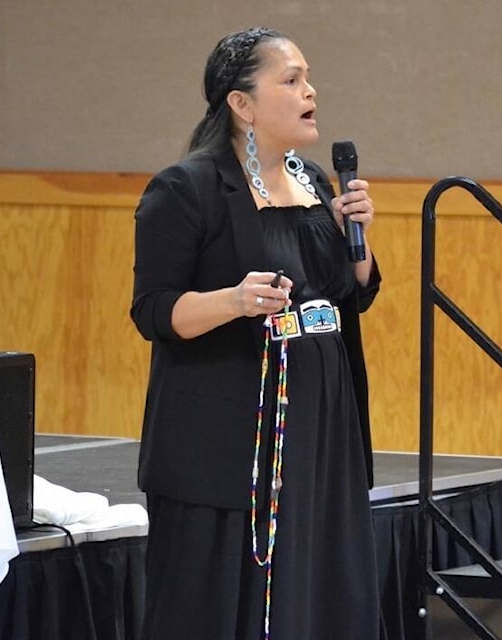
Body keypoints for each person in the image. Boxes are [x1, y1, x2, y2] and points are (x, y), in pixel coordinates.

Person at [130, 27, 382, 640]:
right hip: (227, 436)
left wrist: (359, 239)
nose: (309, 91)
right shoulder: (187, 188)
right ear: (241, 104)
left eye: (308, 78)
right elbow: (153, 310)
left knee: (317, 584)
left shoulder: (315, 180)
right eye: (290, 80)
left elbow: (354, 293)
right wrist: (234, 301)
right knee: (221, 600)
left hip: (320, 428)